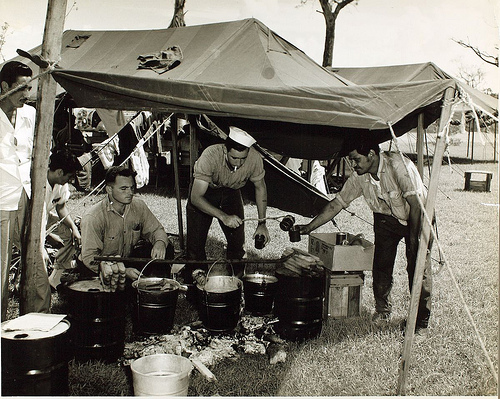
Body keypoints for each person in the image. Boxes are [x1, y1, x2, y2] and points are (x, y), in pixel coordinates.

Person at [298, 140, 433, 331]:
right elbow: (337, 204)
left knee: (418, 267)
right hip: (386, 219)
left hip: (417, 216)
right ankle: (382, 311)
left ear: (371, 154)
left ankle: (420, 323)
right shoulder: (359, 176)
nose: (353, 165)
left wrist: (414, 242)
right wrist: (310, 227)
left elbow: (417, 206)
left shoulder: (399, 166)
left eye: (355, 160)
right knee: (381, 265)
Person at [184, 126, 269, 282]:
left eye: (243, 158)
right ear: (225, 150)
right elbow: (196, 197)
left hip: (232, 192)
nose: (239, 163)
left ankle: (236, 283)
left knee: (237, 244)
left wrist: (262, 223)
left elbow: (260, 188)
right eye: (234, 158)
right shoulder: (210, 155)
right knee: (195, 247)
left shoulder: (255, 158)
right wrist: (223, 216)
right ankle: (195, 287)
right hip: (205, 193)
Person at [80, 166, 172, 283]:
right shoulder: (93, 217)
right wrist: (123, 271)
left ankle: (159, 289)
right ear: (109, 189)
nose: (130, 193)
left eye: (132, 188)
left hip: (126, 260)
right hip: (99, 268)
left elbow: (157, 230)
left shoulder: (138, 206)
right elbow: (89, 258)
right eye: (123, 189)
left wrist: (160, 243)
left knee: (167, 247)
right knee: (115, 298)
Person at [0, 61, 35, 321]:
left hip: (26, 191)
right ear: (4, 86)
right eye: (22, 88)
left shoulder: (30, 115)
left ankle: (34, 313)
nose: (27, 93)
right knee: (1, 263)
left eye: (29, 87)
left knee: (33, 253)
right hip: (2, 197)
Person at [45, 149, 84, 291]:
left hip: (45, 217)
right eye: (70, 176)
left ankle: (54, 279)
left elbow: (61, 208)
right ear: (60, 172)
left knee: (71, 237)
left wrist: (74, 228)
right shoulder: (38, 181)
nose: (71, 180)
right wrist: (47, 235)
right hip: (26, 220)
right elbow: (28, 217)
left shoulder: (61, 185)